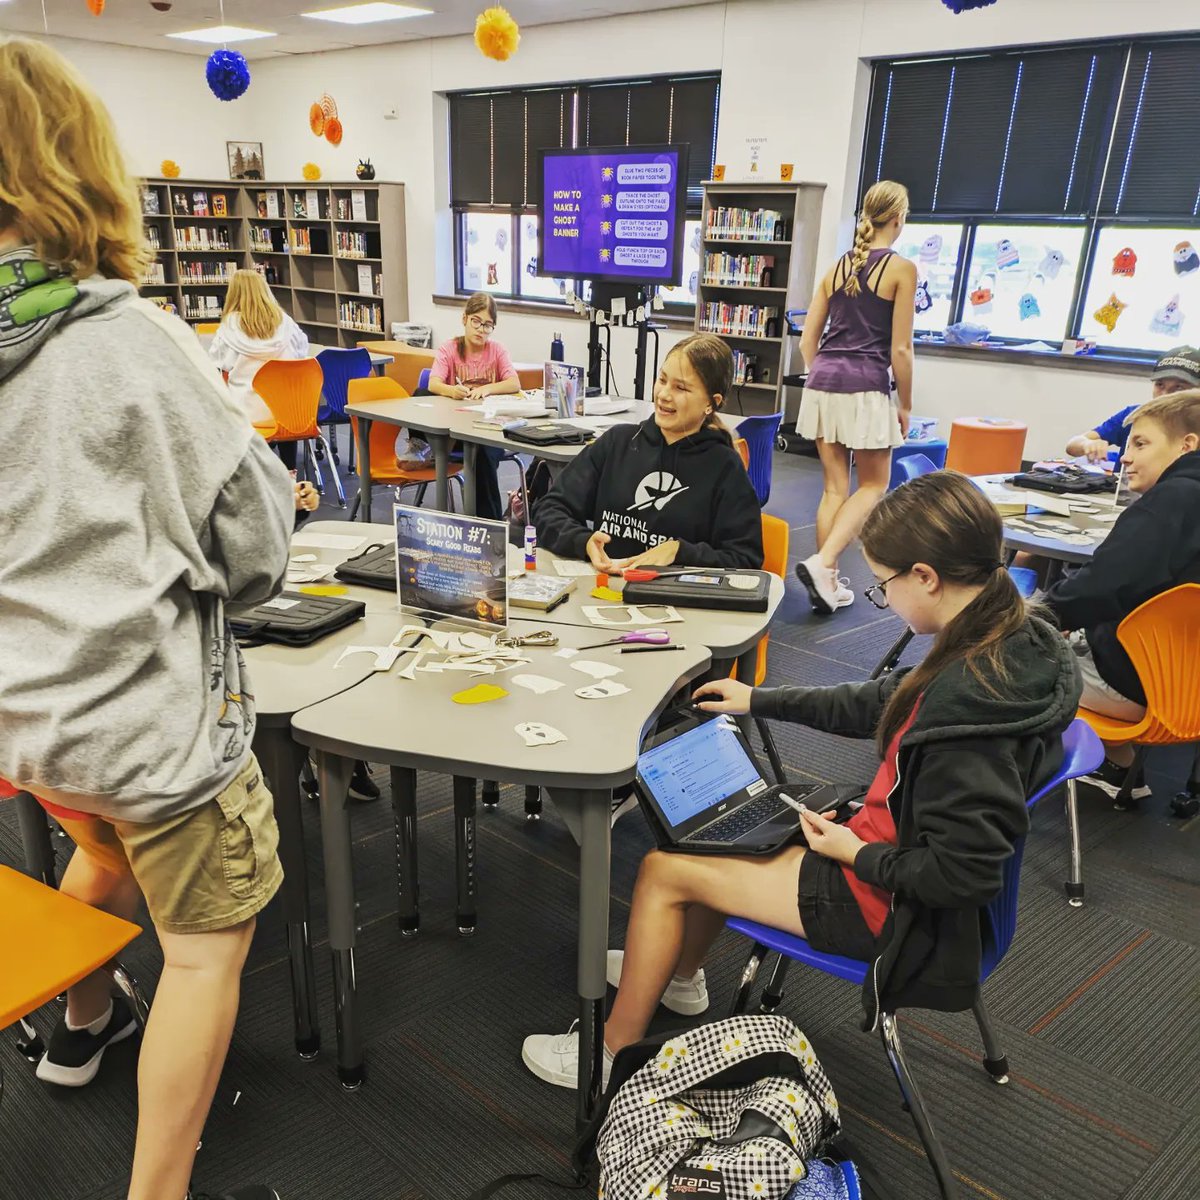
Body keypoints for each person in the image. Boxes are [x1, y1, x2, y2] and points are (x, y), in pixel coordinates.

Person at [521, 471, 1081, 1089]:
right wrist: (758, 699)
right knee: (720, 836)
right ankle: (678, 979)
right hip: (891, 857)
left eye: (884, 585)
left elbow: (963, 875)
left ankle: (610, 1056)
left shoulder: (968, 716)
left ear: (925, 576)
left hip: (894, 909)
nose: (884, 598)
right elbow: (881, 702)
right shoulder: (1006, 640)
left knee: (663, 869)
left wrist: (855, 852)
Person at [0, 38, 291, 1200]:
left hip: (31, 730)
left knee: (102, 849)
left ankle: (79, 1029)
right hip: (151, 734)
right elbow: (257, 549)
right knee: (209, 951)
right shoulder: (130, 343)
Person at [1043, 390, 1200, 797]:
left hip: (1138, 687)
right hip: (1187, 688)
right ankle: (1118, 766)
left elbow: (1104, 583)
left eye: (1140, 444)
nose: (1125, 458)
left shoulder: (1173, 499)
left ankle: (989, 773)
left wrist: (1037, 617)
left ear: (1187, 445)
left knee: (997, 648)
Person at [534, 333, 763, 571]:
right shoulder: (617, 443)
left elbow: (745, 559)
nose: (664, 394)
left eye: (681, 388)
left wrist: (679, 552)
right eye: (662, 380)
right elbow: (550, 509)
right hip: (605, 587)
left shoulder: (724, 466)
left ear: (711, 403)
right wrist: (583, 542)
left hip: (672, 593)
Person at [793, 180, 916, 616]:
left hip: (822, 382)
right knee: (873, 485)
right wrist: (905, 404)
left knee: (833, 488)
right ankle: (824, 564)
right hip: (864, 386)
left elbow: (807, 340)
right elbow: (901, 350)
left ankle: (826, 583)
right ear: (898, 219)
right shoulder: (901, 269)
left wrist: (823, 374)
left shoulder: (836, 268)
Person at [426, 291, 521, 519]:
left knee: (482, 451)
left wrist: (487, 388)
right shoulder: (450, 348)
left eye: (487, 325)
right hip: (455, 430)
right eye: (476, 322)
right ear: (465, 319)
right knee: (418, 394)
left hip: (487, 429)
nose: (481, 330)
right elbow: (433, 383)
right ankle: (421, 447)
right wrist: (452, 390)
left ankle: (490, 523)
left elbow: (514, 382)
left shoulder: (496, 350)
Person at [208, 268, 310, 433]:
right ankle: (287, 450)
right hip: (290, 412)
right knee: (285, 424)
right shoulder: (285, 322)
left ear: (233, 293)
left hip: (248, 414)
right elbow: (302, 354)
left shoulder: (229, 327)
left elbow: (217, 365)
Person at [1064, 346, 1200, 462]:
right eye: (1160, 385)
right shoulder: (1134, 415)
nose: (1164, 395)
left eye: (1179, 388)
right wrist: (1087, 444)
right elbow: (1073, 445)